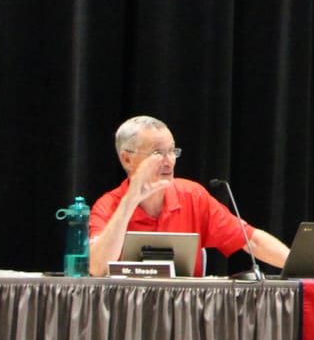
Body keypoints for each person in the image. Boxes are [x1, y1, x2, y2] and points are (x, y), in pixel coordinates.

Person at [89, 116, 290, 276]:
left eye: (172, 151)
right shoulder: (107, 206)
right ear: (127, 159)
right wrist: (130, 201)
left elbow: (251, 240)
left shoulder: (192, 196)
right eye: (157, 153)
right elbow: (97, 268)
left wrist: (300, 267)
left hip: (184, 314)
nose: (169, 161)